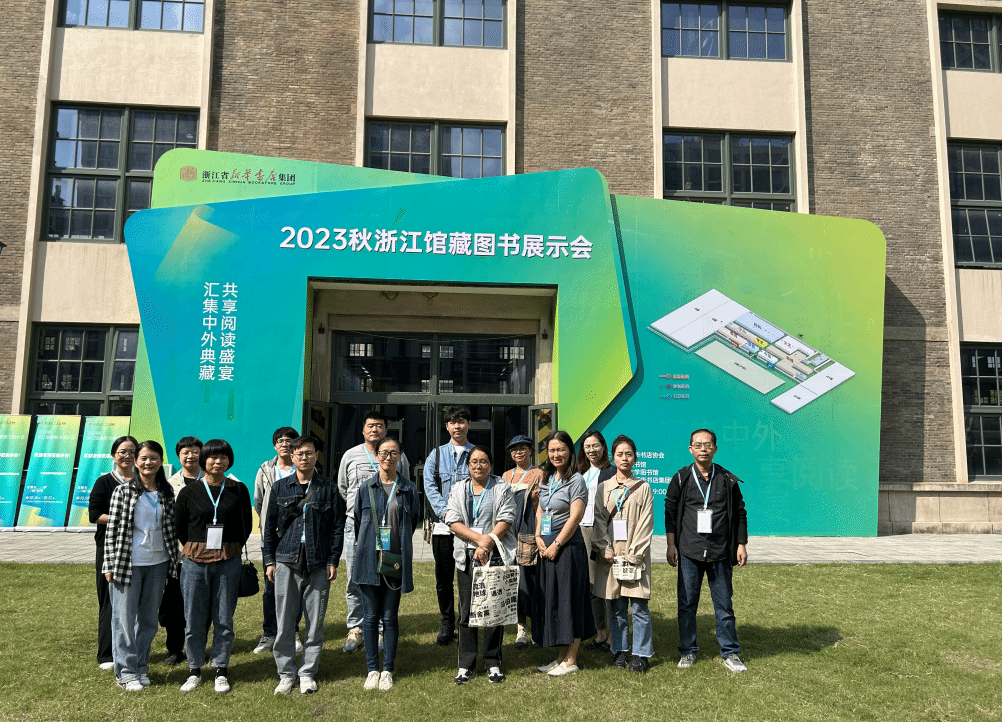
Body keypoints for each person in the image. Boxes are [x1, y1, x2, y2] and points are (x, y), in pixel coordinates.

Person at [263, 436, 346, 695]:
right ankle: (286, 673)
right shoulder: (280, 487)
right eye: (299, 453)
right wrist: (269, 560)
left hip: (318, 561)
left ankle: (307, 672)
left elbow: (337, 528)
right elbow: (269, 527)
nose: (304, 457)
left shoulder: (328, 488)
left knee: (315, 622)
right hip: (286, 560)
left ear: (316, 456)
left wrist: (332, 560)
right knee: (285, 622)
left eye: (309, 453)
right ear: (292, 456)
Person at [665, 428, 749, 673]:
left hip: (720, 552)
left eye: (708, 445)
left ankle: (730, 652)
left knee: (724, 606)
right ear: (690, 449)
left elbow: (740, 512)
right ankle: (688, 651)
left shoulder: (727, 479)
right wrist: (671, 545)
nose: (703, 449)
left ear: (715, 448)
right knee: (687, 604)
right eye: (698, 445)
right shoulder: (681, 477)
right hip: (689, 551)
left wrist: (741, 544)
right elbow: (670, 512)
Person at [174, 438, 253, 693]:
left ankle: (221, 669)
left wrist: (230, 547)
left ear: (229, 461)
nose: (218, 462)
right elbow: (179, 526)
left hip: (228, 561)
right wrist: (197, 546)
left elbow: (245, 525)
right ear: (203, 460)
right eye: (212, 457)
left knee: (224, 618)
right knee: (194, 618)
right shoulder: (189, 492)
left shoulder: (238, 489)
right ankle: (194, 670)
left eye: (223, 457)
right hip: (195, 562)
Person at [103, 440, 180, 690]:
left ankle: (141, 666)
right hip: (129, 564)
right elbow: (112, 531)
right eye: (143, 458)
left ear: (161, 462)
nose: (148, 463)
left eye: (153, 458)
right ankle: (125, 672)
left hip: (158, 564)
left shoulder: (167, 492)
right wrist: (109, 564)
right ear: (136, 462)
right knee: (124, 621)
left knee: (148, 621)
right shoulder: (123, 492)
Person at [336, 410, 409, 653]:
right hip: (356, 526)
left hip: (389, 528)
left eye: (379, 425)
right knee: (355, 577)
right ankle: (356, 627)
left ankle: (379, 629)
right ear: (363, 430)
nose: (374, 429)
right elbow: (343, 489)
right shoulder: (350, 455)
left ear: (385, 430)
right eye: (370, 425)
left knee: (384, 575)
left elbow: (405, 488)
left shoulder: (398, 455)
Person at [352, 436, 418, 692]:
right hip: (369, 558)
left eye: (393, 453)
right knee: (370, 618)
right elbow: (358, 521)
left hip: (394, 561)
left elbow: (412, 521)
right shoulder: (366, 487)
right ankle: (372, 669)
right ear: (376, 455)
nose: (388, 457)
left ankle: (387, 669)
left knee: (389, 617)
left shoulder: (408, 489)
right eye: (383, 452)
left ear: (400, 457)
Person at [446, 445, 515, 685]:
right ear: (468, 466)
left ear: (491, 464)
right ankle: (466, 664)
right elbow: (452, 520)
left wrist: (487, 544)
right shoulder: (458, 488)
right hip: (466, 557)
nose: (478, 465)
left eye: (483, 461)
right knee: (467, 611)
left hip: (494, 555)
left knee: (494, 610)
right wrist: (479, 541)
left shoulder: (501, 487)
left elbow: (506, 518)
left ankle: (493, 662)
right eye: (474, 461)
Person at [532, 430, 595, 676]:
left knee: (571, 601)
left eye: (561, 449)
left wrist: (557, 544)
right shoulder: (547, 477)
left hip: (567, 549)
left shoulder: (576, 480)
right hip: (546, 547)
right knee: (556, 602)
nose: (556, 454)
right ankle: (560, 656)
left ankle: (571, 660)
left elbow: (575, 516)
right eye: (552, 450)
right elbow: (541, 510)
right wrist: (538, 536)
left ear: (570, 451)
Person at [591, 435, 654, 673]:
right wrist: (605, 548)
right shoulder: (604, 488)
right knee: (616, 608)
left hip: (635, 557)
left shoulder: (643, 487)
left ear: (635, 458)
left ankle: (641, 654)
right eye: (620, 454)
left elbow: (646, 524)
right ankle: (619, 650)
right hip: (610, 557)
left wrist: (635, 554)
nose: (625, 458)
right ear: (613, 458)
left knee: (639, 607)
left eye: (629, 454)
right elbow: (599, 520)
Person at [422, 405, 473, 645]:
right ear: (447, 426)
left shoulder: (476, 454)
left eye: (461, 421)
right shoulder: (436, 455)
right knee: (443, 579)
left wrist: (463, 518)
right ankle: (446, 624)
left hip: (469, 528)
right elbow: (429, 487)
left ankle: (466, 622)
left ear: (469, 425)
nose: (457, 426)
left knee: (467, 577)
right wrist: (447, 515)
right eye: (452, 422)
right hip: (443, 528)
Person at [88, 434, 139, 671]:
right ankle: (106, 654)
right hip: (110, 547)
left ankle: (131, 649)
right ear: (113, 455)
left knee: (134, 602)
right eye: (122, 452)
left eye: (132, 452)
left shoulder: (143, 481)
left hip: (139, 547)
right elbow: (94, 515)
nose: (127, 456)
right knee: (109, 600)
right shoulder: (104, 482)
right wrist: (124, 518)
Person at [252, 427, 301, 655]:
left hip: (297, 539)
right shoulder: (265, 469)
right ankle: (269, 633)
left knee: (296, 588)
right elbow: (259, 501)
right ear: (275, 445)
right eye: (280, 441)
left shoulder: (302, 467)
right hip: (271, 539)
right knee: (270, 589)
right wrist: (269, 525)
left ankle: (293, 632)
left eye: (289, 440)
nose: (285, 444)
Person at [161, 435, 203, 667]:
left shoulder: (212, 480)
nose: (190, 456)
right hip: (177, 555)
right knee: (175, 605)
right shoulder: (169, 484)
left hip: (205, 554)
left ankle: (197, 648)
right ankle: (174, 649)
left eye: (195, 451)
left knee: (201, 605)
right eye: (185, 452)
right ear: (178, 456)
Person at [500, 434, 542, 648]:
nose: (518, 452)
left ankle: (536, 628)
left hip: (529, 532)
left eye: (522, 448)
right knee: (514, 580)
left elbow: (542, 507)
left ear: (531, 451)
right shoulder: (505, 475)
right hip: (508, 534)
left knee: (530, 579)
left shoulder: (539, 474)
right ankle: (520, 628)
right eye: (514, 449)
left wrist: (539, 533)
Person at [576, 429, 615, 651]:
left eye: (595, 445)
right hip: (582, 530)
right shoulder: (580, 473)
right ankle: (600, 634)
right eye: (587, 446)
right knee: (592, 585)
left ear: (603, 447)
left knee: (609, 584)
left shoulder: (611, 472)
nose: (591, 450)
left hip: (603, 531)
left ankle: (613, 637)